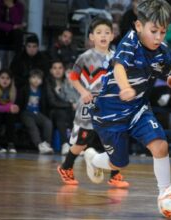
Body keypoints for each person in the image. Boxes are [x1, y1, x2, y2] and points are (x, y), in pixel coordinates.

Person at [83, 0, 171, 209]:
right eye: (154, 31)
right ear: (139, 26)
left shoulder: (162, 52)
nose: (158, 37)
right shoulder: (130, 41)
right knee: (118, 163)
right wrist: (125, 87)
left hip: (138, 109)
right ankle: (93, 159)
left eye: (163, 32)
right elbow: (119, 67)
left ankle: (165, 194)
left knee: (161, 146)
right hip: (109, 114)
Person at [57, 18, 128, 188]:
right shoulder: (85, 57)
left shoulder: (116, 57)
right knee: (82, 140)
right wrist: (83, 92)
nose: (103, 35)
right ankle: (66, 167)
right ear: (91, 37)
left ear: (112, 36)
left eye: (107, 32)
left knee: (114, 139)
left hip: (110, 106)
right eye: (98, 32)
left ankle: (115, 174)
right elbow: (73, 77)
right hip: (89, 105)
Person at [16, 69, 54, 154]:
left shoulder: (42, 90)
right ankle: (39, 144)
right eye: (33, 77)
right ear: (29, 79)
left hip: (37, 113)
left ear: (41, 80)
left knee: (48, 122)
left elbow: (43, 104)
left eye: (39, 78)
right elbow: (19, 103)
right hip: (26, 113)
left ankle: (46, 144)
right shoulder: (24, 89)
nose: (36, 80)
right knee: (32, 125)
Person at [45, 59, 78, 155]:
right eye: (55, 68)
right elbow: (52, 102)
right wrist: (70, 104)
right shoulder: (48, 82)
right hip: (51, 111)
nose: (57, 70)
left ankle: (77, 144)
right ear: (51, 70)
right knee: (61, 113)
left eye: (60, 68)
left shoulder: (66, 82)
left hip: (68, 110)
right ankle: (65, 144)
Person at [0, 69, 19, 153]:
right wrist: (9, 107)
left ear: (11, 80)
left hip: (6, 114)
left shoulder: (13, 91)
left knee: (10, 116)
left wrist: (15, 108)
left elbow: (13, 107)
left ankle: (10, 144)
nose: (5, 80)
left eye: (8, 78)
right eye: (2, 78)